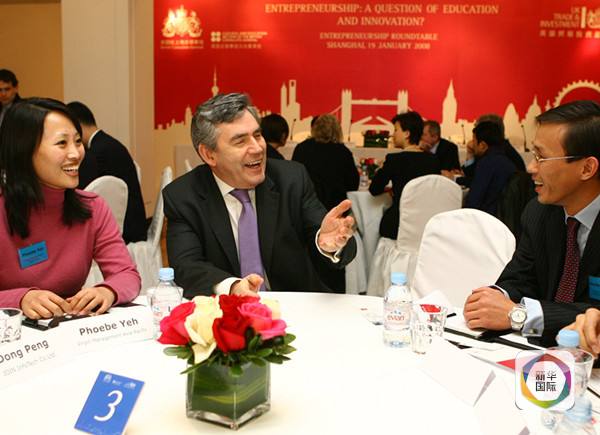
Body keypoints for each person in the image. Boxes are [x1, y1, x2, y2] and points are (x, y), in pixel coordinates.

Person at [163, 93, 357, 298]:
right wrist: (233, 287)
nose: (257, 148)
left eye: (257, 135)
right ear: (209, 154)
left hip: (295, 304)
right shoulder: (183, 196)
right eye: (240, 141)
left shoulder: (291, 179)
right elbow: (186, 266)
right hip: (227, 310)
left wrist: (328, 243)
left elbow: (326, 234)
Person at [463, 100, 600, 345]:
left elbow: (595, 318)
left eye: (541, 157)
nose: (530, 168)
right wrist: (493, 298)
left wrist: (519, 315)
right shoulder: (539, 212)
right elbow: (521, 277)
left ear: (587, 168)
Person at [0, 98, 140, 319]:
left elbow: (127, 274)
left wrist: (107, 291)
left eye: (77, 141)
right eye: (62, 143)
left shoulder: (92, 207)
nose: (76, 153)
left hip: (69, 329)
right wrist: (19, 299)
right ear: (24, 151)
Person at [292, 113, 359, 292]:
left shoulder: (302, 149)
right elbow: (353, 183)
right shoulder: (343, 152)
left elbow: (293, 181)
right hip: (334, 209)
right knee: (334, 256)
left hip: (304, 213)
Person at [67, 101, 147, 243]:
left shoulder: (96, 153)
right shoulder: (108, 144)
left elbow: (84, 194)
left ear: (77, 126)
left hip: (125, 231)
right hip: (136, 224)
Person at [369, 111, 441, 239]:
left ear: (407, 134)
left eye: (396, 130)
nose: (393, 134)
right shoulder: (433, 160)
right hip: (425, 225)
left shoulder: (394, 160)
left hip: (398, 224)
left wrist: (389, 188)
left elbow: (374, 189)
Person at [464, 121, 516, 215]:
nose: (472, 144)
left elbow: (473, 201)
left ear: (482, 145)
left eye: (474, 141)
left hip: (487, 217)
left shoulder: (486, 163)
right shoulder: (508, 160)